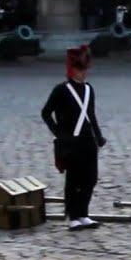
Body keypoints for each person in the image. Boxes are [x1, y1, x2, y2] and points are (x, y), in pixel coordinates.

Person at [41, 45, 107, 231]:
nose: (83, 73)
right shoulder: (61, 90)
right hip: (71, 141)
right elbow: (46, 113)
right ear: (72, 70)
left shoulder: (88, 89)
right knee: (74, 180)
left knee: (90, 178)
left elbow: (91, 115)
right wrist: (59, 134)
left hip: (88, 140)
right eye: (80, 69)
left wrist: (99, 136)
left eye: (84, 70)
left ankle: (84, 213)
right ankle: (73, 216)